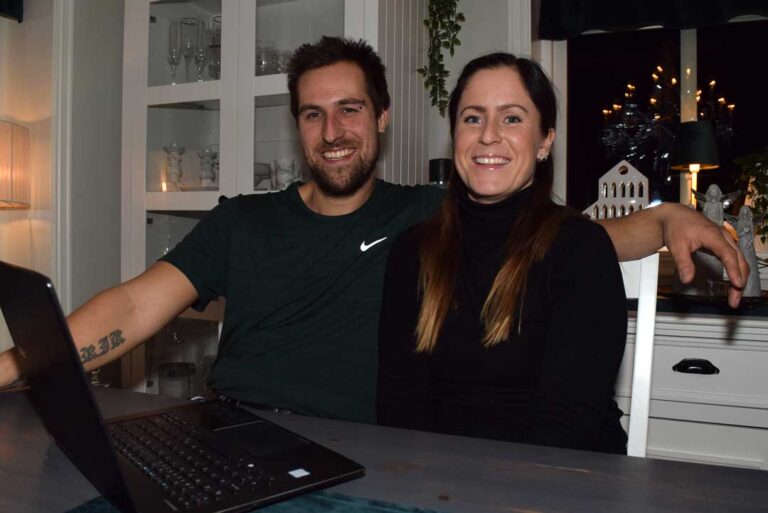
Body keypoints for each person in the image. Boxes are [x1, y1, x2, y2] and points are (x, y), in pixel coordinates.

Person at [0, 38, 749, 425]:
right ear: (298, 126)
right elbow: (134, 306)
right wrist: (11, 365)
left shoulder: (429, 217)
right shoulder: (242, 221)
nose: (332, 132)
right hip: (227, 427)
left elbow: (557, 242)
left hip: (356, 449)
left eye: (350, 109)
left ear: (382, 118)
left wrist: (666, 218)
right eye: (313, 114)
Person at [377, 53, 627, 453]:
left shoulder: (581, 249)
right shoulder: (412, 251)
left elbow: (567, 422)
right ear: (455, 135)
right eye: (472, 118)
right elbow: (399, 404)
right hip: (439, 471)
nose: (488, 136)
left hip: (559, 471)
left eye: (511, 118)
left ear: (545, 141)